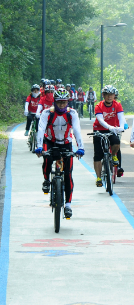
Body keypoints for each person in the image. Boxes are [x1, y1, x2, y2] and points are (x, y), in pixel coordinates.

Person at [34, 88, 85, 219]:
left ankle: (68, 205)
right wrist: (39, 146)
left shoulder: (72, 113)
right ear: (54, 102)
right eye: (59, 102)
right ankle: (46, 180)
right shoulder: (47, 113)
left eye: (64, 102)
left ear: (68, 102)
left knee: (68, 174)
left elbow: (77, 130)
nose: (62, 105)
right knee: (47, 159)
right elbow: (40, 129)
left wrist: (81, 147)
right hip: (51, 141)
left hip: (67, 143)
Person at [92, 85, 128, 186]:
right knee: (98, 154)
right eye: (107, 94)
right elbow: (100, 120)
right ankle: (98, 178)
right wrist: (110, 127)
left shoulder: (117, 105)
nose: (109, 97)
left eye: (111, 95)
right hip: (99, 130)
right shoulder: (99, 106)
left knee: (116, 143)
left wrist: (121, 126)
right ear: (103, 95)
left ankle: (113, 156)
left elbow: (121, 117)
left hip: (112, 129)